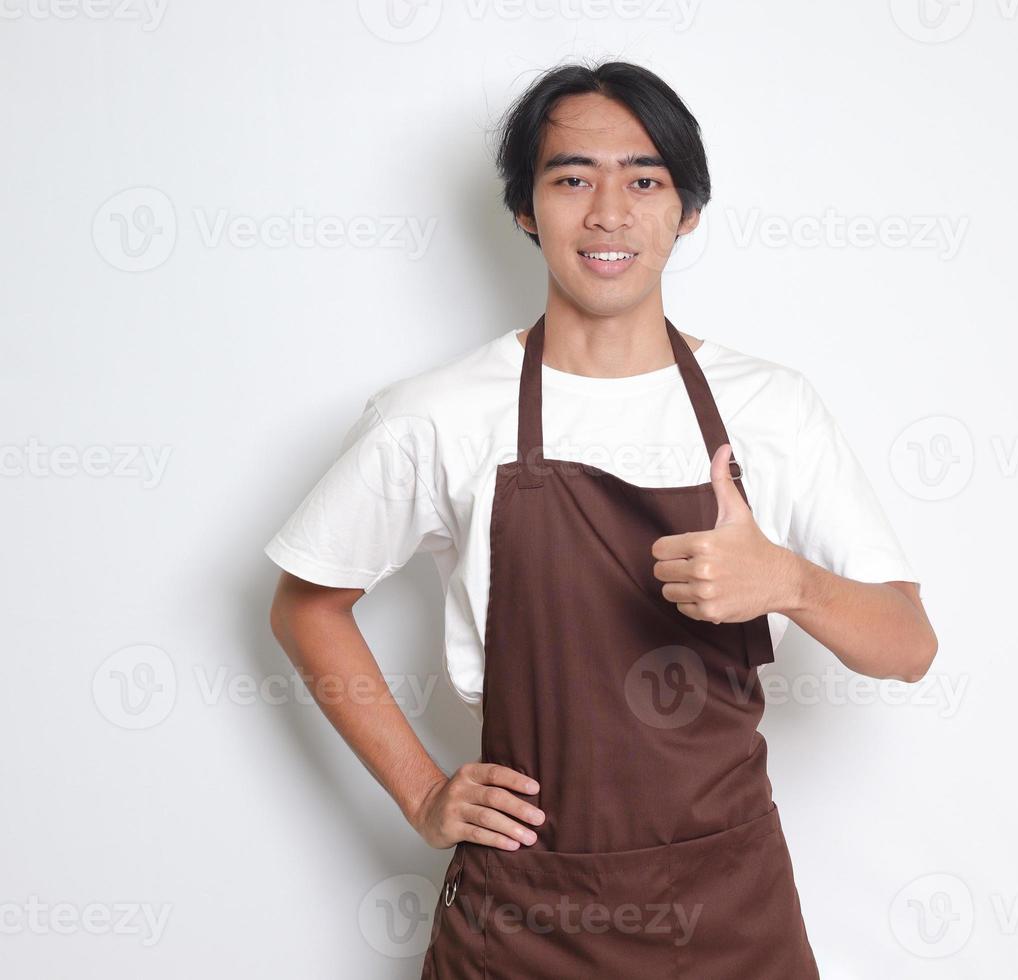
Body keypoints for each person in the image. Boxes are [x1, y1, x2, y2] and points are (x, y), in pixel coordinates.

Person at [266, 59, 938, 979]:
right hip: (523, 917)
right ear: (524, 209)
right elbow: (306, 604)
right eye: (573, 178)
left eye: (646, 179)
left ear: (687, 211)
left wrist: (787, 580)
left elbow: (909, 647)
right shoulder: (443, 413)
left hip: (729, 914)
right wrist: (424, 793)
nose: (609, 212)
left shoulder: (772, 408)